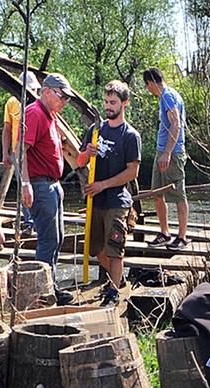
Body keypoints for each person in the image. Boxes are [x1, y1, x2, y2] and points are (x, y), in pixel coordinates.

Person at [75, 81, 141, 305]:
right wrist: (87, 153)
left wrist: (104, 184)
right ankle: (117, 280)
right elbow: (80, 161)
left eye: (113, 102)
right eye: (106, 102)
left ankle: (113, 292)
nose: (108, 106)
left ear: (124, 104)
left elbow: (132, 172)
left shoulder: (130, 136)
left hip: (116, 201)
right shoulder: (95, 130)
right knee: (95, 249)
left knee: (115, 251)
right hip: (96, 200)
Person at [20, 72, 75, 278]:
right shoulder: (34, 113)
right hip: (40, 184)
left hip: (52, 184)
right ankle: (44, 291)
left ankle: (51, 284)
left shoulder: (50, 115)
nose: (65, 101)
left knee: (58, 237)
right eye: (62, 96)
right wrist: (25, 183)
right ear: (46, 91)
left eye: (67, 98)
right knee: (48, 239)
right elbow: (19, 151)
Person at [142, 67, 189, 249]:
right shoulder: (167, 96)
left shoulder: (168, 96)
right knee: (157, 193)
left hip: (172, 153)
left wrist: (168, 153)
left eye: (147, 86)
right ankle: (164, 233)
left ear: (152, 82)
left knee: (178, 194)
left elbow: (176, 125)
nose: (148, 90)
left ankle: (182, 237)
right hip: (162, 151)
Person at [2, 71, 39, 233]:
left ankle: (39, 221)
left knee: (39, 186)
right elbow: (7, 129)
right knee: (23, 187)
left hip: (36, 152)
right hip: (18, 153)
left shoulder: (39, 104)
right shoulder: (11, 103)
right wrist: (5, 152)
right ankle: (29, 222)